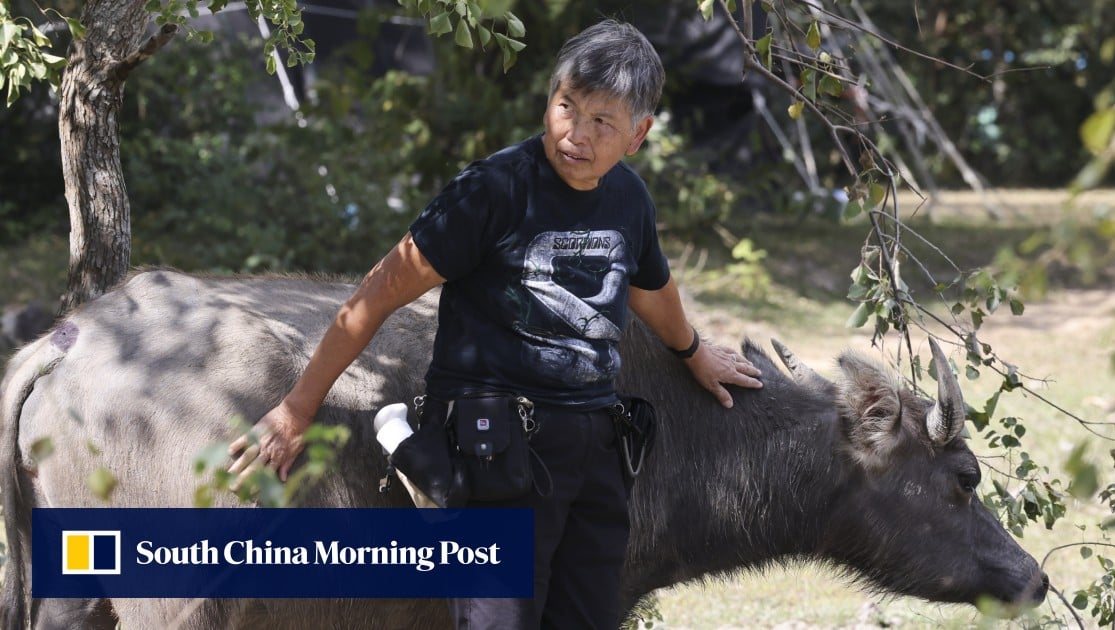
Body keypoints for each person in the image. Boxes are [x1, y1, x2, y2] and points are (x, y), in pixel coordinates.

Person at [229, 19, 763, 629]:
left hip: (594, 454)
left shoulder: (629, 199)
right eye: (567, 107)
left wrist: (694, 350)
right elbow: (375, 297)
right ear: (550, 96)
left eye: (601, 122)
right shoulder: (492, 191)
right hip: (496, 451)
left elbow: (648, 286)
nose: (575, 134)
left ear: (638, 134)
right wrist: (296, 409)